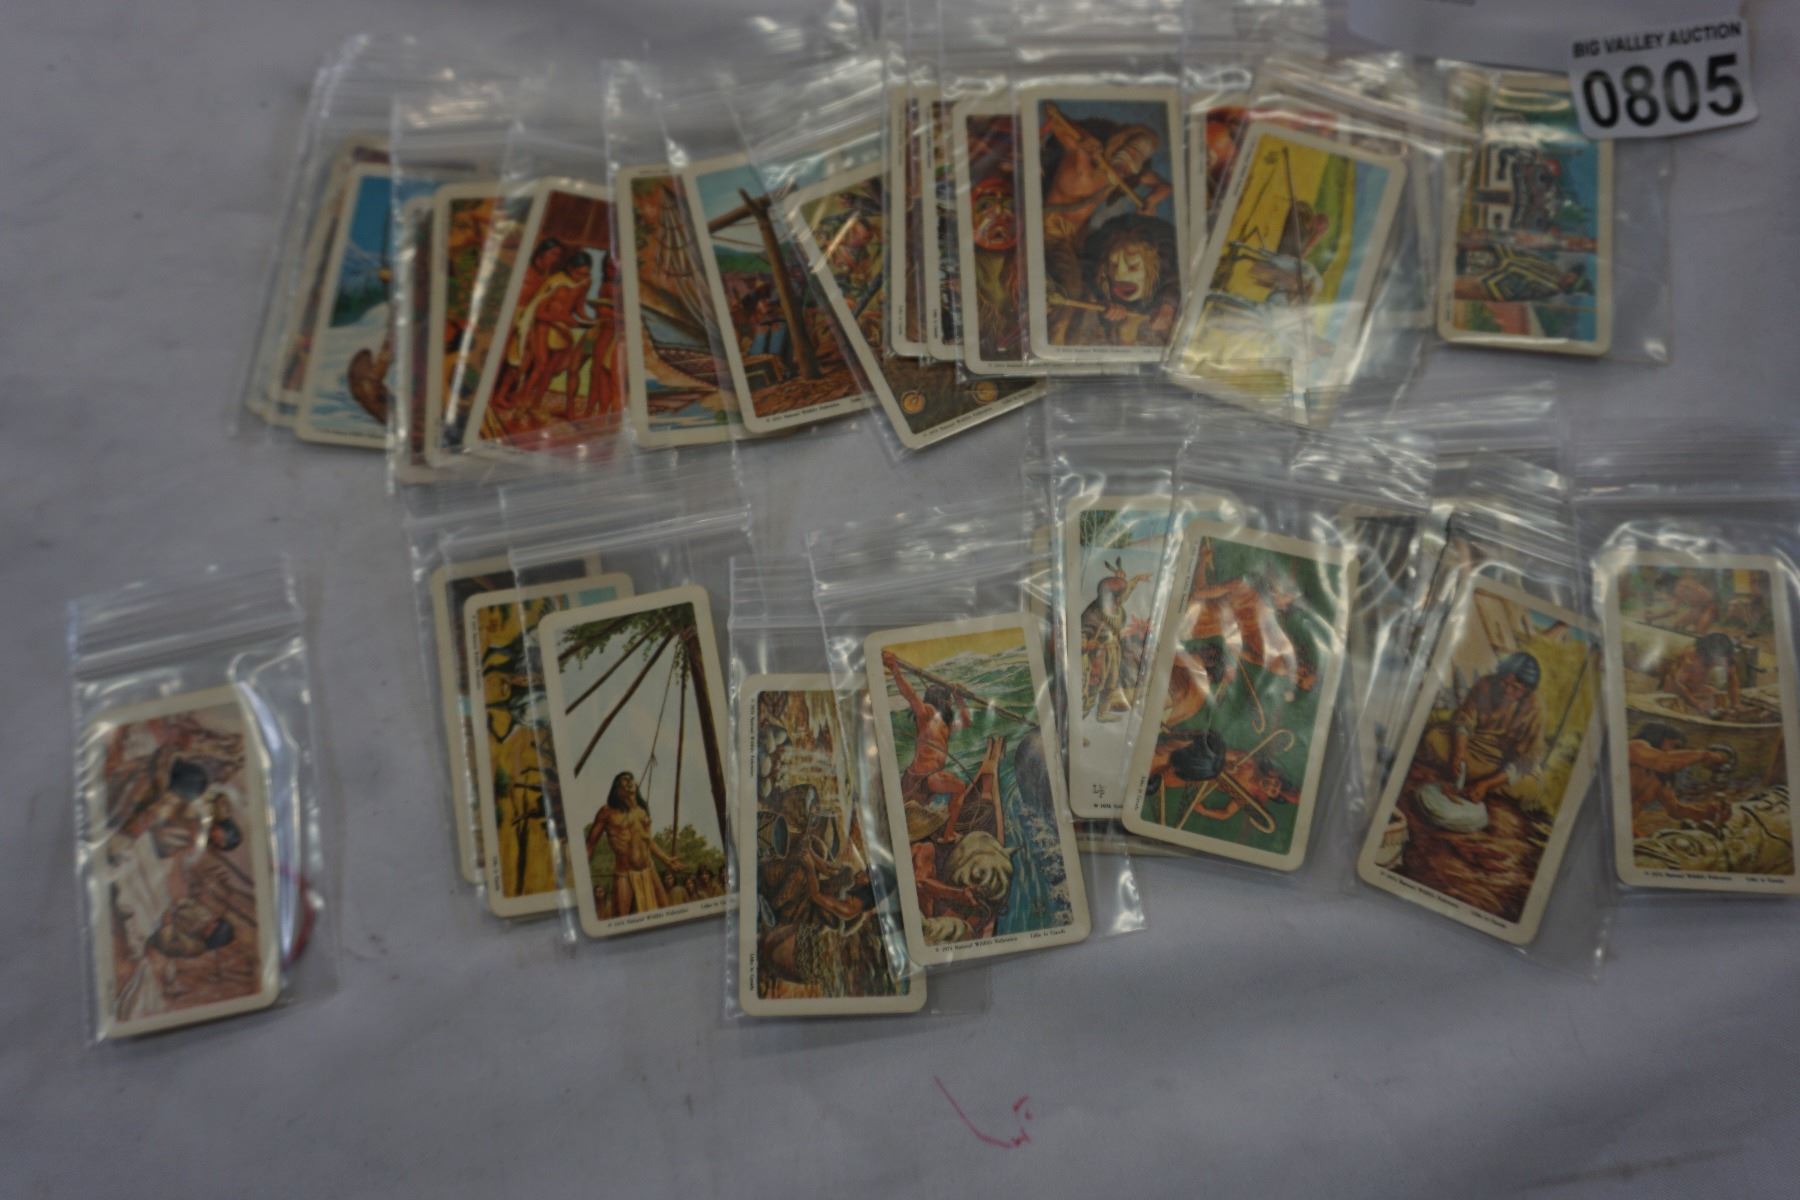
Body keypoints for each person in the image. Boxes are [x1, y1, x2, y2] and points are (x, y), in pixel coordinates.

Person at [1038, 105, 1171, 342]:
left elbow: (1165, 187)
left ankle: (1070, 341)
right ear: (1116, 147)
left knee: (1092, 291)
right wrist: (1084, 139)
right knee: (1071, 290)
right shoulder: (1082, 160)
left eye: (1135, 161)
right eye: (1127, 155)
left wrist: (1150, 202)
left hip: (1078, 240)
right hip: (1051, 233)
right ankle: (1055, 340)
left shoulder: (1123, 174)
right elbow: (1052, 115)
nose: (1127, 166)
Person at [1415, 652, 1545, 807]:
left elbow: (1527, 759)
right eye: (1505, 683)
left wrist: (1487, 784)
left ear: (1527, 691)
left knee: (1531, 787)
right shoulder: (1486, 684)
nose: (1508, 691)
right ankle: (1467, 776)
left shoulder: (1535, 708)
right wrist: (1459, 753)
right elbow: (1464, 719)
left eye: (1516, 688)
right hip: (1472, 746)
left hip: (1501, 763)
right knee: (1433, 738)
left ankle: (1479, 783)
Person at [881, 650, 974, 829]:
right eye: (949, 700)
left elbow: (967, 722)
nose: (950, 704)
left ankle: (948, 834)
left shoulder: (945, 724)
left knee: (957, 788)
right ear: (941, 700)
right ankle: (948, 834)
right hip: (917, 779)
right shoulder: (927, 713)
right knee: (900, 819)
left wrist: (959, 698)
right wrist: (895, 669)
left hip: (932, 779)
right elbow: (910, 695)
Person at [587, 771, 684, 917]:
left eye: (631, 779)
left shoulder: (642, 811)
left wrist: (666, 860)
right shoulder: (607, 812)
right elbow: (590, 844)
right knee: (621, 918)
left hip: (648, 868)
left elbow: (648, 841)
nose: (629, 781)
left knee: (665, 910)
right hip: (624, 873)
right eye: (624, 780)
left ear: (636, 785)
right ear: (617, 790)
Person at [1627, 723, 1733, 836]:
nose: (1676, 751)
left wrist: (1709, 814)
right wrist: (1705, 755)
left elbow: (1675, 810)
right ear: (1658, 738)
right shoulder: (1635, 747)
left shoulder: (1656, 779)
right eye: (1674, 746)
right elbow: (1664, 762)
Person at [1080, 557, 1150, 721]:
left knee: (1111, 684)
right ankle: (1081, 716)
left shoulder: (1115, 605)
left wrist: (1136, 579)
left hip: (1113, 651)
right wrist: (1087, 644)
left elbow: (1126, 592)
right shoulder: (1092, 614)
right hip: (1097, 655)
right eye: (1120, 595)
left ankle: (1102, 713)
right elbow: (1080, 635)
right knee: (1094, 685)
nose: (1122, 598)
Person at [1660, 632, 1741, 718]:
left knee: (1716, 695)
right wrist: (1696, 703)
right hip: (1675, 692)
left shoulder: (1725, 657)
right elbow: (1678, 685)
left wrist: (1736, 705)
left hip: (1696, 689)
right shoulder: (1691, 657)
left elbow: (1732, 680)